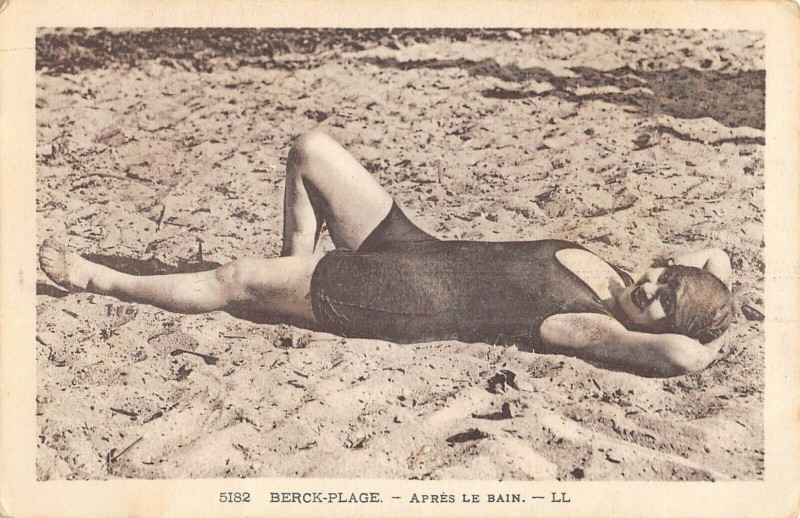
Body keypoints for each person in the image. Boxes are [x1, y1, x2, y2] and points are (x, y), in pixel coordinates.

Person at [39, 130, 735, 378]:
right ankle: (289, 283)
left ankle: (97, 279)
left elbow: (683, 356)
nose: (646, 285)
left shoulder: (593, 325)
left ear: (657, 328)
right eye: (660, 276)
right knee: (311, 149)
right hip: (417, 248)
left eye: (658, 302)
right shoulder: (618, 278)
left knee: (232, 280)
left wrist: (701, 337)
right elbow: (717, 257)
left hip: (401, 299)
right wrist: (706, 297)